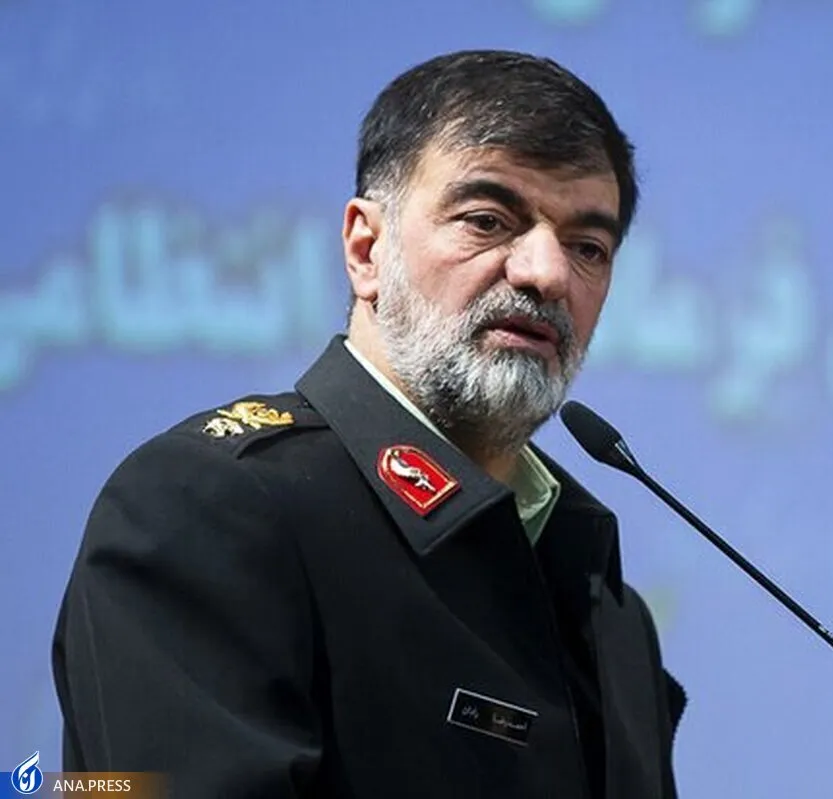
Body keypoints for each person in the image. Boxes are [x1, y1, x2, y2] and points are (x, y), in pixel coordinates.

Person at [52, 49, 686, 799]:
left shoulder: (608, 607)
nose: (546, 273)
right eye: (487, 221)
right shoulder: (209, 507)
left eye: (588, 248)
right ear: (365, 250)